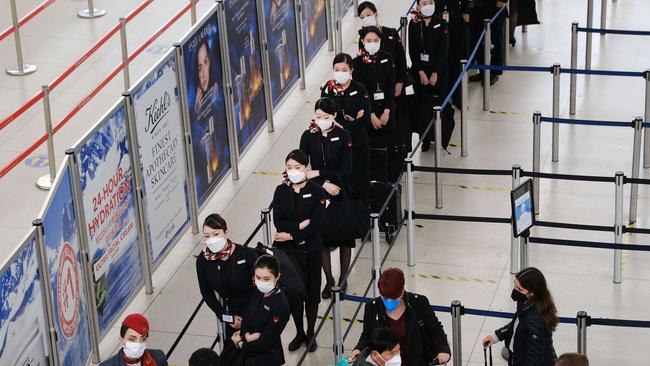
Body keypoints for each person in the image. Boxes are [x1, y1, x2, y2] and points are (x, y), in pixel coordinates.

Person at [299, 97, 355, 301]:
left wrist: (320, 174)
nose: (321, 120)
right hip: (318, 193)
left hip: (340, 192)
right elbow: (302, 167)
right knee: (322, 239)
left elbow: (346, 170)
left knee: (344, 239)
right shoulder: (308, 136)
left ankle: (342, 280)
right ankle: (329, 279)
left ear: (334, 116)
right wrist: (322, 183)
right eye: (318, 116)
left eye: (325, 117)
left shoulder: (343, 136)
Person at [272, 149, 326, 352]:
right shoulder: (280, 191)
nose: (293, 171)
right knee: (294, 293)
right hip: (288, 252)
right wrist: (299, 227)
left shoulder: (317, 191)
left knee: (312, 293)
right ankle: (299, 332)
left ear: (306, 168)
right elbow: (278, 221)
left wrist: (291, 234)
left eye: (298, 167)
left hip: (311, 251)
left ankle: (311, 331)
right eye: (289, 168)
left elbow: (315, 225)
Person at [352, 268, 451, 365]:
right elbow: (367, 334)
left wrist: (443, 349)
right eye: (385, 298)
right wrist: (359, 349)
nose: (389, 302)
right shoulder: (372, 307)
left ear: (402, 290)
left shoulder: (419, 303)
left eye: (394, 297)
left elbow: (435, 329)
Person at [357, 1, 412, 153]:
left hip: (396, 87)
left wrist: (399, 82)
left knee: (401, 118)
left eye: (368, 14)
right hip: (378, 91)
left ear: (375, 14)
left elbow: (401, 60)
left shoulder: (391, 33)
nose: (366, 18)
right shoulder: (364, 41)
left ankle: (404, 152)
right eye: (362, 17)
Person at [196, 214, 258, 338]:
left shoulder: (246, 255)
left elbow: (260, 289)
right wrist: (227, 318)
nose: (211, 239)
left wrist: (249, 316)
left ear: (226, 233)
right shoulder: (203, 261)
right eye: (207, 236)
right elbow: (206, 293)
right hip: (233, 320)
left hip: (256, 313)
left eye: (216, 234)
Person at [321, 53, 371, 202]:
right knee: (340, 179)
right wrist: (355, 118)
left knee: (359, 177)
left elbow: (365, 119)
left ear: (351, 70)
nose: (340, 73)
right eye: (337, 69)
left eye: (344, 69)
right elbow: (323, 115)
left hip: (358, 142)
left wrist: (342, 126)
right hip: (336, 144)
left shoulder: (360, 89)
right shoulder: (328, 89)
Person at [483, 267, 558, 366]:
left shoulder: (536, 320)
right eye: (515, 285)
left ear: (532, 292)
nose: (515, 290)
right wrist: (497, 336)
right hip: (517, 356)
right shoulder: (526, 303)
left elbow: (534, 360)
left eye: (519, 289)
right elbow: (518, 325)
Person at [408, 0, 455, 152]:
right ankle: (425, 138)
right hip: (420, 73)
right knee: (422, 107)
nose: (427, 5)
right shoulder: (414, 24)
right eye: (424, 3)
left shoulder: (441, 23)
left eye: (430, 2)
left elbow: (444, 50)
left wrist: (435, 72)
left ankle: (440, 136)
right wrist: (420, 71)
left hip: (439, 73)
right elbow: (413, 50)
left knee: (439, 104)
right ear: (418, 6)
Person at [353, 26, 400, 177]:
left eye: (376, 40)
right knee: (371, 147)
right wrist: (371, 115)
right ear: (362, 41)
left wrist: (387, 110)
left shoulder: (387, 57)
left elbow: (391, 85)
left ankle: (392, 177)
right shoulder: (357, 63)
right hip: (369, 113)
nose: (372, 43)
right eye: (369, 40)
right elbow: (361, 92)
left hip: (387, 110)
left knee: (391, 144)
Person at [230, 255, 291, 366]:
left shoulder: (280, 306)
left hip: (266, 359)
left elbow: (265, 342)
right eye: (258, 277)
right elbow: (246, 318)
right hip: (248, 354)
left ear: (277, 277)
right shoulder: (258, 292)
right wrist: (247, 335)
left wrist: (240, 344)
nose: (261, 282)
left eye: (266, 279)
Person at [100, 313, 168, 366]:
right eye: (132, 339)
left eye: (143, 339)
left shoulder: (158, 358)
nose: (138, 344)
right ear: (122, 341)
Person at [469, 0, 507, 84]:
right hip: (479, 8)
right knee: (477, 40)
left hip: (496, 9)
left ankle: (494, 72)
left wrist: (498, 7)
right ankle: (482, 72)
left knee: (496, 41)